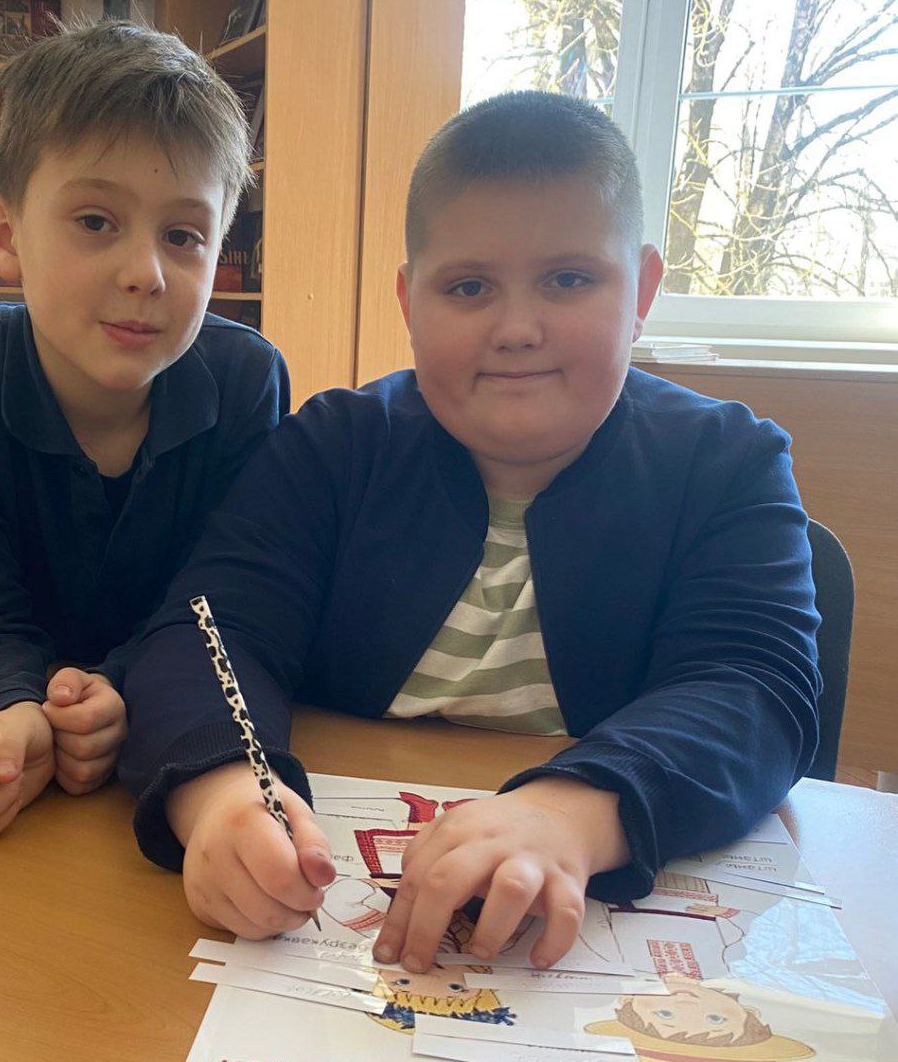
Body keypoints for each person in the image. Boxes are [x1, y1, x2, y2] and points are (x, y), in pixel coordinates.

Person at [119, 91, 820, 973]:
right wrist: (221, 793)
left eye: (570, 280)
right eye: (468, 287)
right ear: (410, 302)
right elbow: (208, 632)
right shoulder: (333, 448)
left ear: (642, 291)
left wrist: (571, 812)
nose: (517, 330)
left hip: (600, 947)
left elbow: (754, 687)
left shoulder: (729, 463)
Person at [0, 21, 287, 839]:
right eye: (96, 221)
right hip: (29, 771)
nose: (146, 273)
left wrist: (123, 682)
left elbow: (220, 603)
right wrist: (10, 708)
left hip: (176, 748)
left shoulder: (247, 379)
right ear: (5, 236)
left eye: (183, 236)